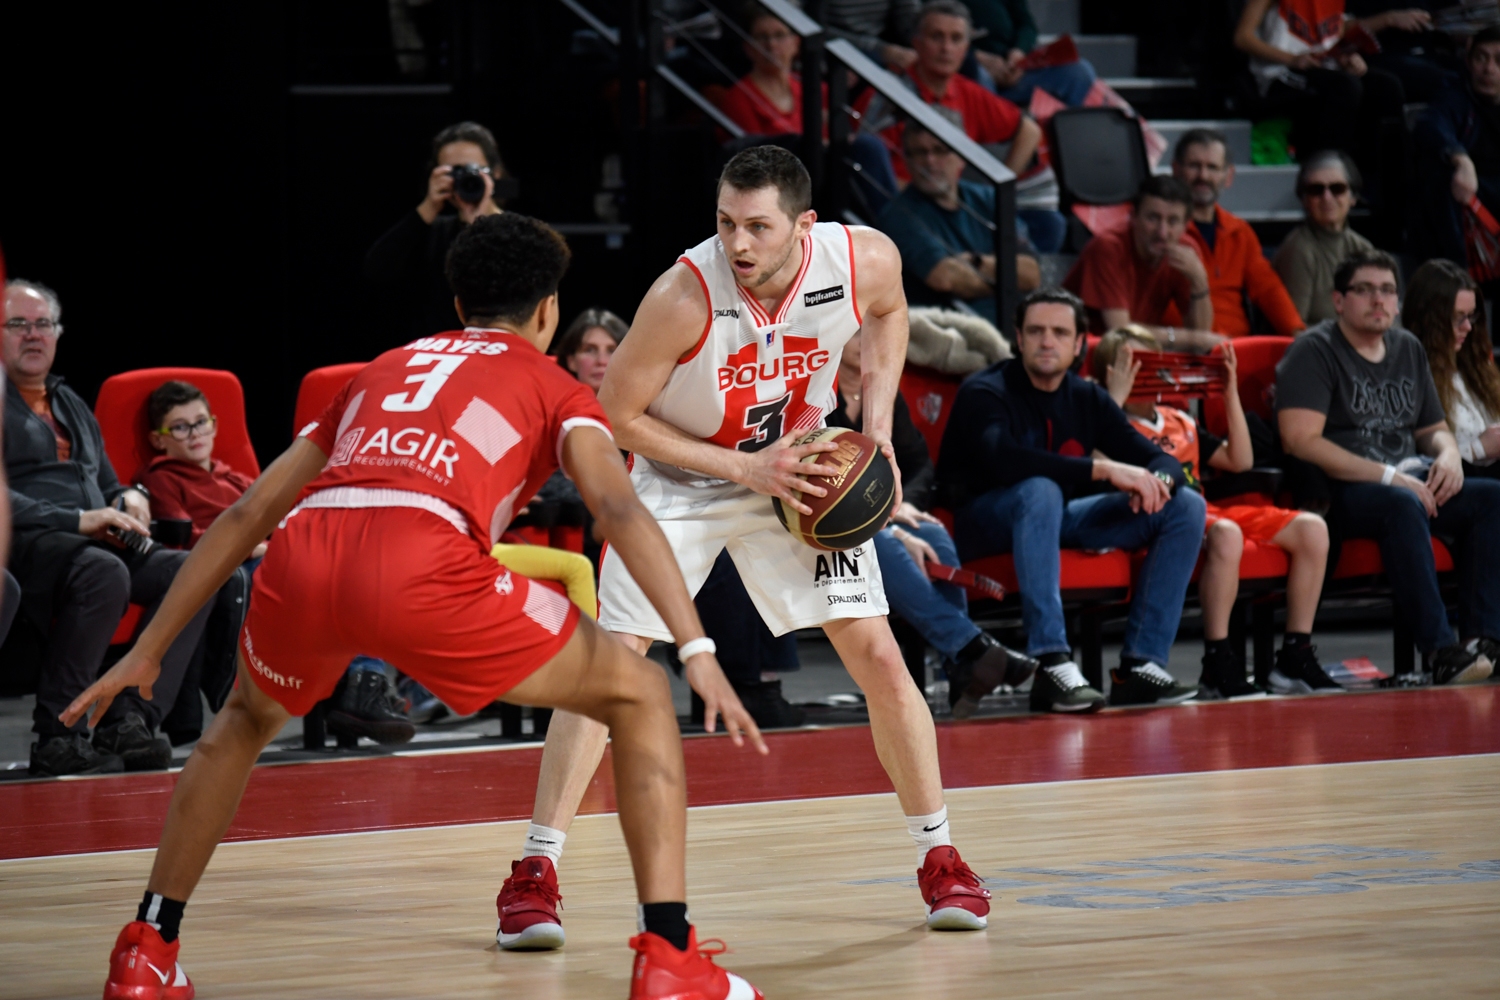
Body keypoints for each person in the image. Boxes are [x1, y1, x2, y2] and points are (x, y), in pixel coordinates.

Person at [65, 213, 766, 1000]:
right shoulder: (561, 388)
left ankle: (147, 948)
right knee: (637, 692)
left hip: (306, 556)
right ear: (548, 312)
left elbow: (245, 514)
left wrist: (149, 648)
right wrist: (697, 649)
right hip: (423, 559)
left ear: (459, 300)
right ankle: (670, 959)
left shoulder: (383, 367)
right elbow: (622, 510)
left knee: (240, 725)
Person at [496, 145, 1004, 954]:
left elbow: (890, 313)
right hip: (680, 478)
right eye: (726, 222)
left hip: (797, 470)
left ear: (804, 225)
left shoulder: (863, 257)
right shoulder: (682, 294)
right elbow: (613, 414)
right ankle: (534, 870)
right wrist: (743, 467)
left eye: (758, 227)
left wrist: (875, 430)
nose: (738, 243)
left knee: (876, 652)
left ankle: (940, 855)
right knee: (613, 661)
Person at [939, 288, 1206, 712]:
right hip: (982, 524)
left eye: (1060, 332)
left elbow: (1159, 458)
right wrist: (1104, 470)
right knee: (1040, 488)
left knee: (1186, 505)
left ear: (1079, 343)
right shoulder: (985, 391)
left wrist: (1156, 480)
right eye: (1037, 331)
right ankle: (1051, 662)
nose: (1048, 341)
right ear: (1019, 338)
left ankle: (1141, 666)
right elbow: (1003, 460)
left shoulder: (1086, 397)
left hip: (1055, 517)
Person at [3, 280, 212, 777]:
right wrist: (77, 519)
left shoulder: (70, 402)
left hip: (90, 539)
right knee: (102, 572)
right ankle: (59, 732)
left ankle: (129, 715)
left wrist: (127, 497)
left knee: (195, 571)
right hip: (29, 542)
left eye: (43, 325)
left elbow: (108, 483)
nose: (33, 336)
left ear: (57, 334)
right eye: (18, 325)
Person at [139, 380, 414, 745]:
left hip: (272, 559)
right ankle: (364, 687)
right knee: (325, 587)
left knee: (353, 577)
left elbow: (285, 516)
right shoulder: (162, 478)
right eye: (180, 427)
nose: (194, 434)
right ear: (158, 439)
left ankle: (363, 685)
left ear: (215, 425)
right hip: (233, 571)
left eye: (201, 422)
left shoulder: (233, 477)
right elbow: (182, 538)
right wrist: (253, 546)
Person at [1277, 249, 1500, 684]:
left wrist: (1450, 455)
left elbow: (1433, 427)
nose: (1378, 300)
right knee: (1402, 504)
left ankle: (1482, 642)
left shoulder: (1407, 347)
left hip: (1409, 479)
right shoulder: (1315, 350)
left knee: (1491, 498)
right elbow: (1299, 440)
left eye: (1387, 291)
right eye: (1364, 290)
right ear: (1339, 300)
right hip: (1345, 489)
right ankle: (1440, 651)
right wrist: (1388, 476)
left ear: (1398, 302)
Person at [1094, 327, 1337, 698]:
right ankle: (1218, 661)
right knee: (1226, 533)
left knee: (1312, 529)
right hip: (1161, 518)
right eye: (1130, 364)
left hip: (1206, 506)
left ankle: (1295, 655)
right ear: (1109, 372)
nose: (1142, 371)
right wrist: (1112, 402)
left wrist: (1229, 393)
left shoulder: (1179, 419)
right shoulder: (1107, 424)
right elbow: (1098, 468)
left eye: (1149, 363)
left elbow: (1240, 460)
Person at [828, 330, 1035, 719]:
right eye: (854, 330)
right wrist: (889, 522)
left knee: (935, 534)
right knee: (885, 544)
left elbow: (919, 462)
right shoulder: (816, 394)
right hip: (827, 522)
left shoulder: (883, 396)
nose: (864, 339)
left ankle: (960, 668)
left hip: (880, 512)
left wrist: (898, 506)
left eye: (870, 332)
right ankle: (971, 649)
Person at [717, 3, 902, 215]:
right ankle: (895, 225)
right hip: (778, 182)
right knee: (868, 148)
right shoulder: (738, 97)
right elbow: (752, 155)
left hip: (824, 176)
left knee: (868, 148)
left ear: (796, 43)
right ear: (748, 47)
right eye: (762, 37)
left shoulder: (816, 89)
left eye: (779, 35)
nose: (771, 44)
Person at [878, 111, 1057, 325]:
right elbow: (945, 278)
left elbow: (1031, 273)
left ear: (961, 155)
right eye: (919, 152)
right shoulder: (898, 215)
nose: (930, 162)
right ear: (907, 160)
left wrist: (974, 262)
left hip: (1013, 325)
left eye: (940, 150)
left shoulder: (989, 198)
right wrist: (1008, 280)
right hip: (953, 333)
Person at [1233, 0, 1411, 182]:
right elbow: (1242, 37)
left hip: (1326, 68)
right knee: (1345, 88)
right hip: (1280, 71)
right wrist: (1292, 59)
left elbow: (1334, 32)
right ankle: (1327, 178)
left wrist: (1347, 55)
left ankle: (1382, 186)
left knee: (1386, 86)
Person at [364, 121, 506, 342]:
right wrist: (429, 206)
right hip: (433, 353)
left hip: (492, 352)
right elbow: (377, 271)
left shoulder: (517, 232)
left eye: (473, 170)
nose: (465, 178)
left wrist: (477, 223)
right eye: (454, 171)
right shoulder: (430, 230)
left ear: (495, 174)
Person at [872, 1, 1043, 182]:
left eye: (956, 39)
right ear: (917, 44)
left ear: (966, 49)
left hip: (954, 202)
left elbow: (1030, 131)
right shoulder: (886, 94)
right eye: (936, 37)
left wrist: (999, 190)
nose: (946, 48)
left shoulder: (968, 91)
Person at [1173, 128, 1304, 338]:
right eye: (1194, 166)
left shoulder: (1240, 232)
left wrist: (1298, 334)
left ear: (1228, 176)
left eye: (1212, 167)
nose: (1203, 176)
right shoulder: (1162, 231)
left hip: (1237, 350)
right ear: (1176, 169)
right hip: (1181, 347)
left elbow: (1268, 289)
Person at [1063, 176, 1215, 335]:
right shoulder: (1108, 247)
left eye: (1173, 221)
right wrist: (1187, 340)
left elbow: (1202, 331)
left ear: (1185, 225)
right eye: (1153, 218)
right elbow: (1121, 332)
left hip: (1137, 349)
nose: (1162, 233)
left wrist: (1199, 280)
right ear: (1133, 216)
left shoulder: (1186, 251)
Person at [1402, 259, 1500, 481]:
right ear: (1430, 318)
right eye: (1458, 317)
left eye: (1471, 315)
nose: (1467, 326)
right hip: (1464, 484)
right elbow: (1417, 460)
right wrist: (1478, 449)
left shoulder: (1476, 364)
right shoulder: (1411, 372)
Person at [1413, 26, 1500, 275]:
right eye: (1481, 58)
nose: (1488, 69)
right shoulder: (1456, 94)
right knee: (1441, 177)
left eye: (1498, 60)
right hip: (1470, 189)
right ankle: (1458, 277)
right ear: (1469, 62)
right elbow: (1432, 125)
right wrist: (1462, 160)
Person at [1272, 151, 1375, 325]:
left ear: (1353, 197)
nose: (1327, 198)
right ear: (1304, 200)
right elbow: (1294, 330)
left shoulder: (1363, 248)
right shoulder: (1298, 250)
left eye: (1337, 189)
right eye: (1316, 190)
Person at [964, 0, 1096, 106]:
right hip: (973, 70)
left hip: (1015, 70)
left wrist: (1019, 52)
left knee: (1079, 71)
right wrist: (978, 58)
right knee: (980, 76)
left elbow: (1027, 26)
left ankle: (1066, 131)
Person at [821, 0, 921, 70]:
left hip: (883, 46)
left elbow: (910, 22)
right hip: (830, 50)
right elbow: (813, 28)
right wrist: (880, 49)